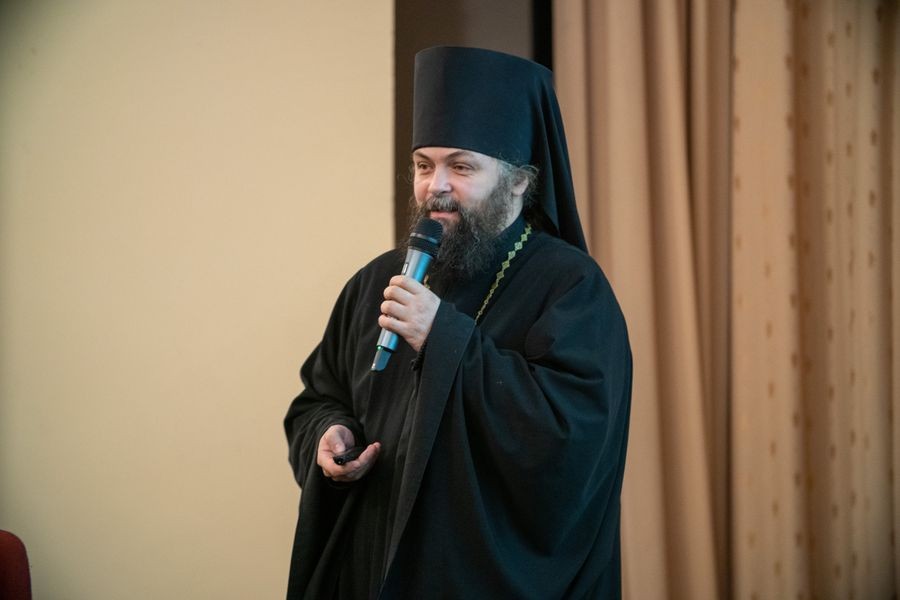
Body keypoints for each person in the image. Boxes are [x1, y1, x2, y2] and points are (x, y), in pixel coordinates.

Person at [284, 46, 632, 599]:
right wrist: (329, 436)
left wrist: (442, 336)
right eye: (424, 166)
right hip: (372, 572)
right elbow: (318, 398)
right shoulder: (377, 280)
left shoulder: (570, 288)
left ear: (518, 182)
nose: (435, 186)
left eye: (461, 166)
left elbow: (570, 443)